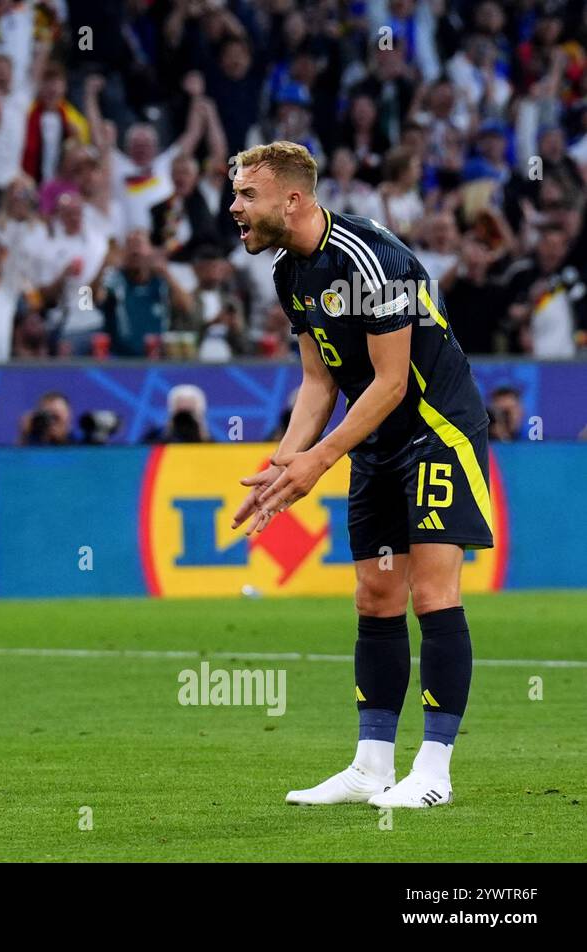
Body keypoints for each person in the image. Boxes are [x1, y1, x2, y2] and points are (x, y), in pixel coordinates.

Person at [229, 141, 492, 809]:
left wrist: (321, 459)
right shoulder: (291, 274)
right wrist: (285, 464)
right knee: (375, 599)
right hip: (375, 444)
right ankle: (371, 766)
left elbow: (391, 381)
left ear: (293, 198)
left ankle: (434, 771)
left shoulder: (373, 259)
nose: (235, 208)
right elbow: (318, 383)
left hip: (436, 431)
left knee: (432, 594)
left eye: (245, 196)